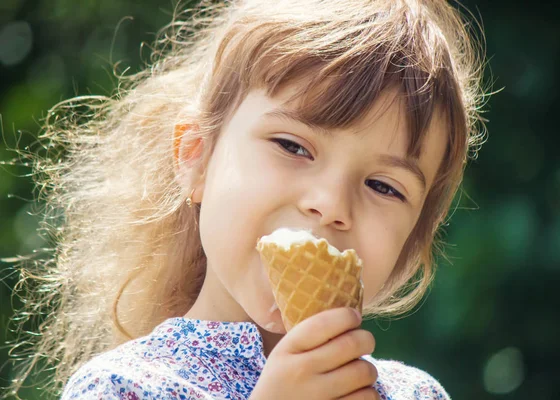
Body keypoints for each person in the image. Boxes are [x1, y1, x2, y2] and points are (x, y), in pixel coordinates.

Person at [5, 0, 488, 398]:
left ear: (411, 244)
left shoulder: (417, 394)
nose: (331, 204)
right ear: (196, 158)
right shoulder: (121, 387)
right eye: (293, 146)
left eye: (384, 186)